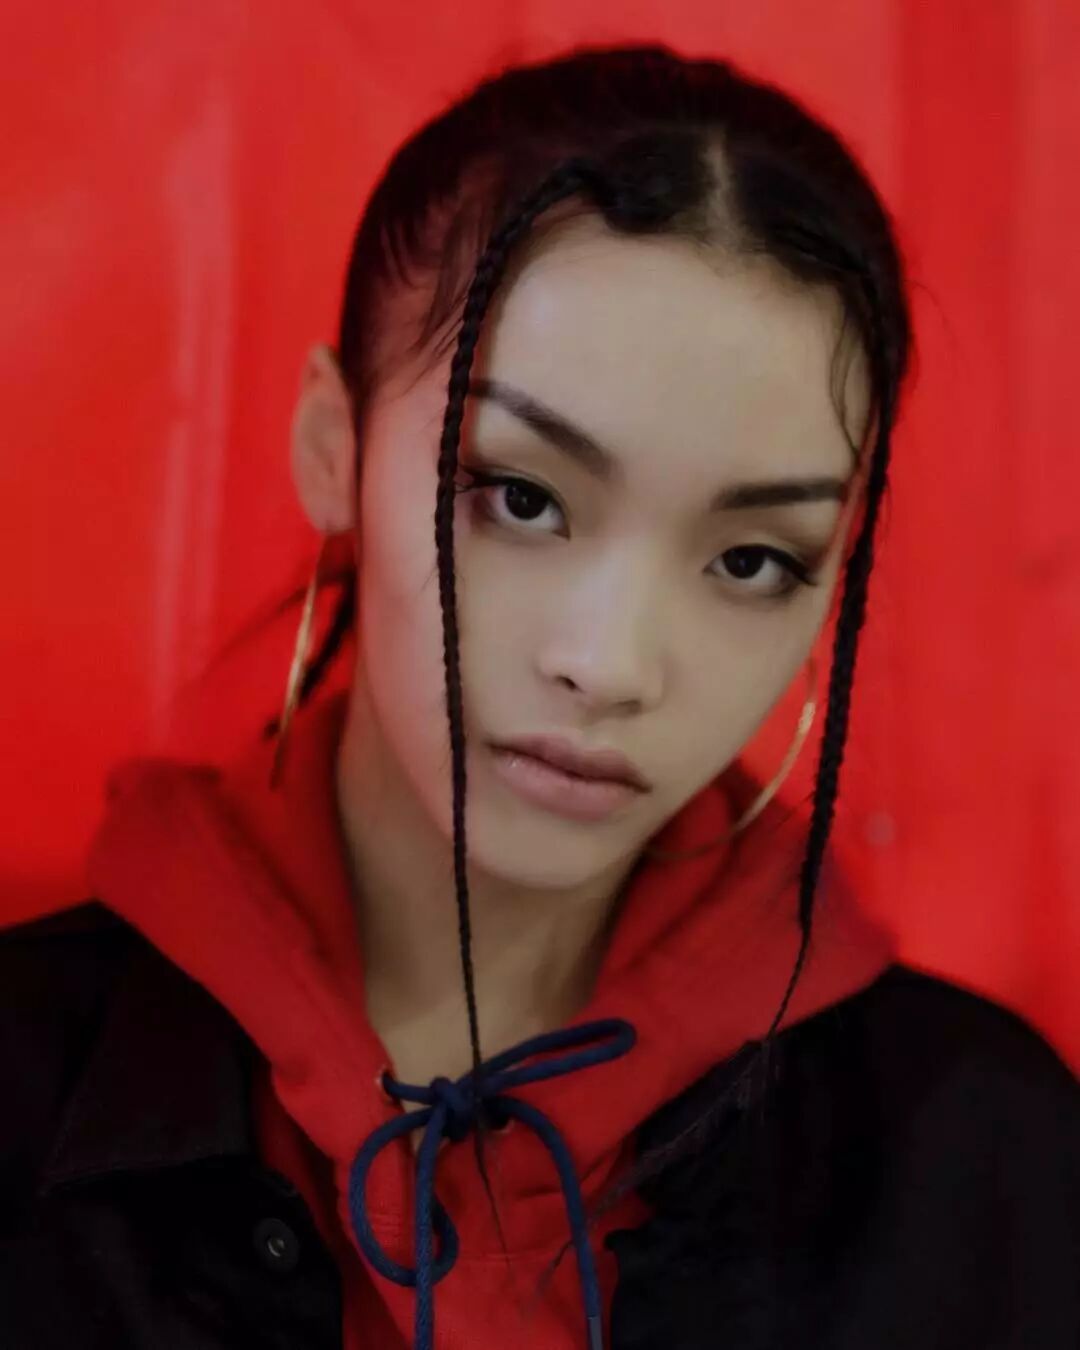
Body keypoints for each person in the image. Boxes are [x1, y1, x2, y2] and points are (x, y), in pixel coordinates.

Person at [1, 42, 1076, 1350]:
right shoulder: (28, 1089)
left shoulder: (989, 1166)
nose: (611, 665)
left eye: (751, 559)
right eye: (521, 496)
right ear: (333, 448)